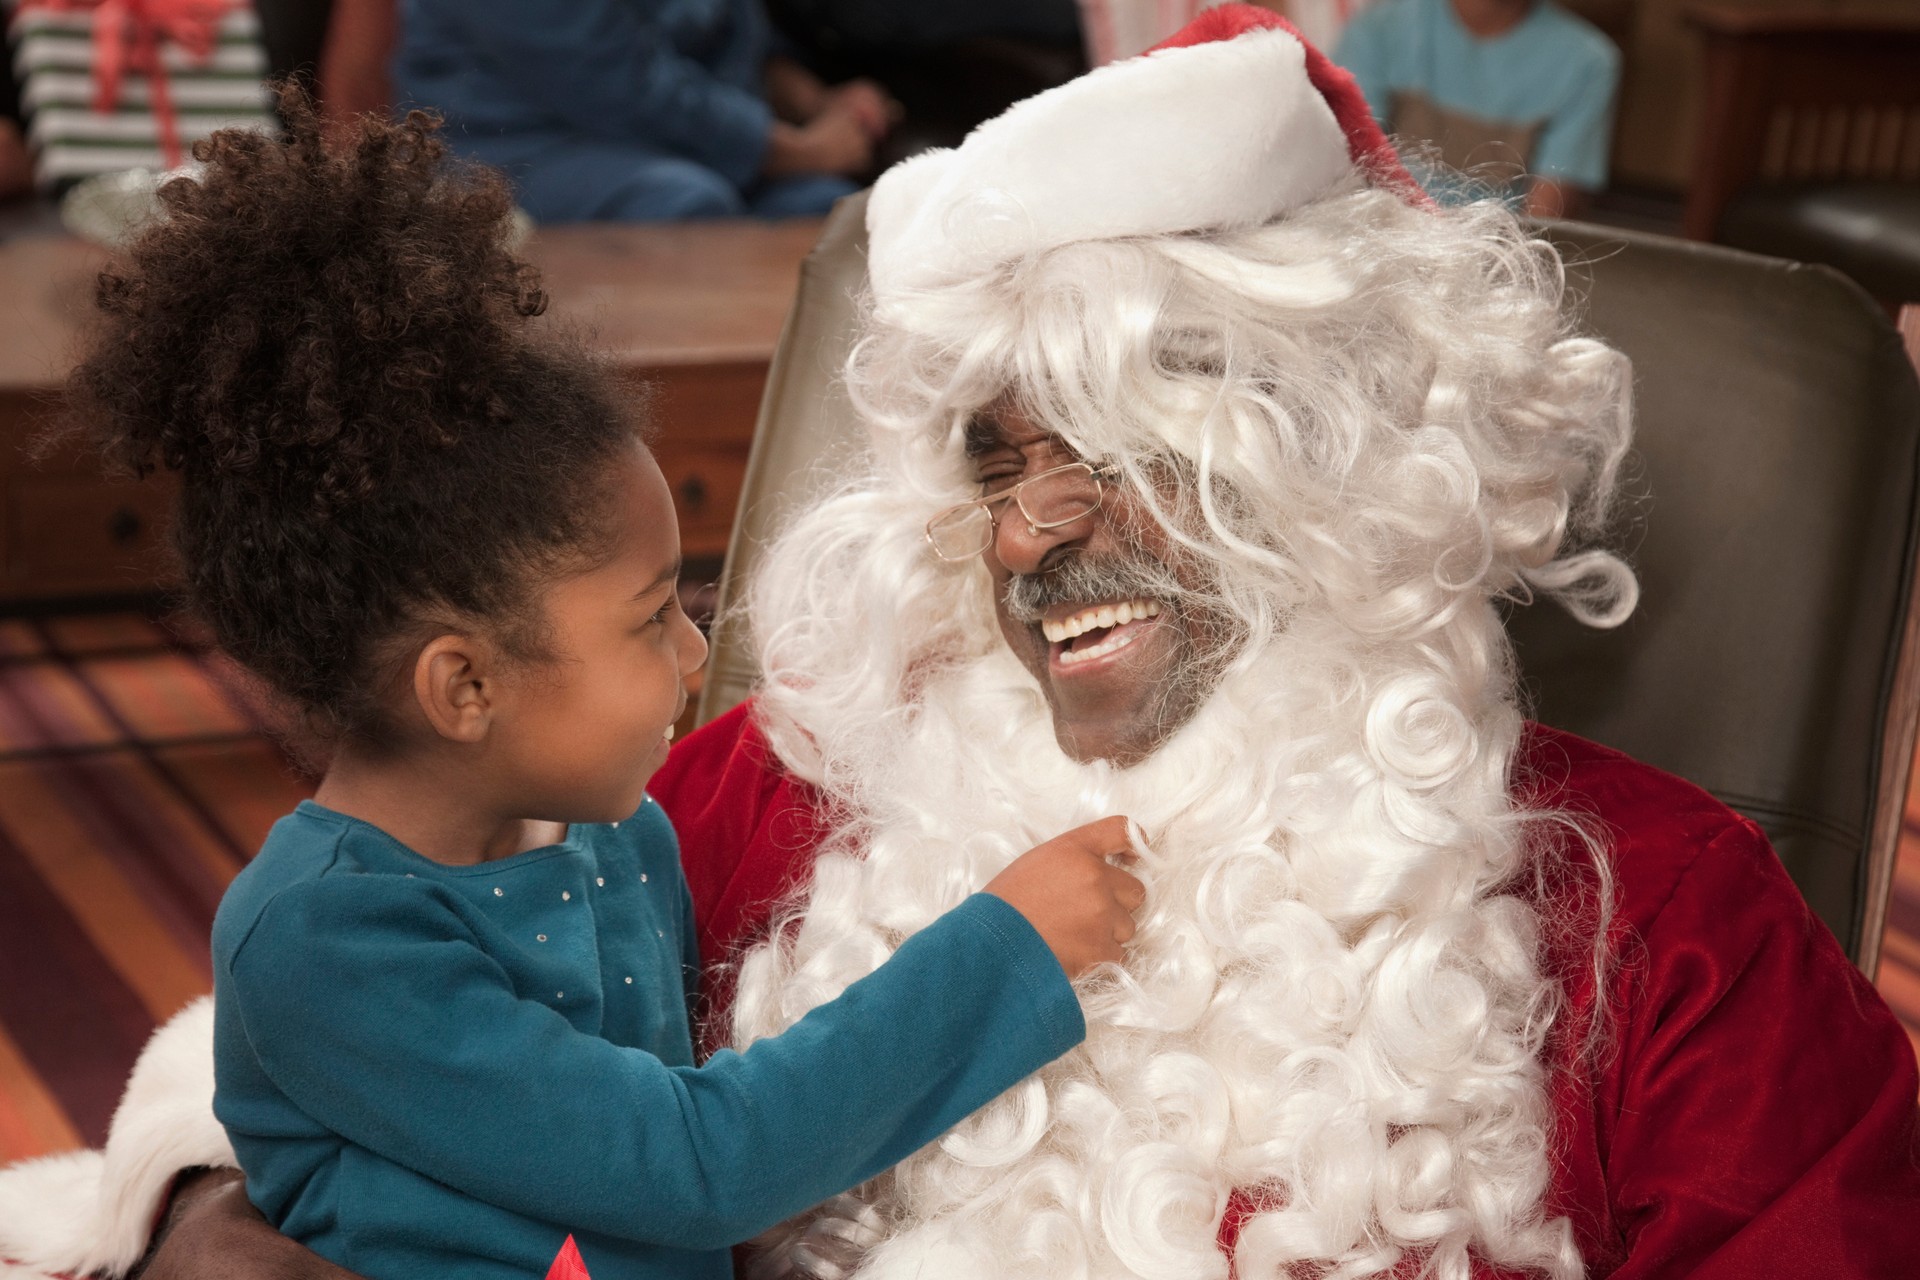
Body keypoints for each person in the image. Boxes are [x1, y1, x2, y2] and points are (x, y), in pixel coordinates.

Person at [6, 7, 1920, 1279]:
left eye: (1118, 453)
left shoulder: (1672, 935)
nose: (1028, 535)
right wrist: (199, 1204)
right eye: (998, 463)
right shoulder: (805, 780)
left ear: (1332, 470)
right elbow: (377, 978)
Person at [0, 90, 1151, 1280]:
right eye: (651, 618)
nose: (696, 656)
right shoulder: (322, 940)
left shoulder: (619, 835)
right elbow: (694, 1163)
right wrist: (1009, 949)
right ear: (464, 686)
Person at [394, 0, 892, 222]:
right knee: (685, 203)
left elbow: (722, 30)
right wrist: (797, 151)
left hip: (673, 139)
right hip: (513, 141)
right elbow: (612, 81)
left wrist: (813, 100)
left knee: (829, 213)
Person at [1334, 0, 1619, 218]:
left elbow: (1543, 219)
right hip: (1375, 239)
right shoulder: (1383, 25)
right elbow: (1343, 167)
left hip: (1495, 257)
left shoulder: (1586, 62)